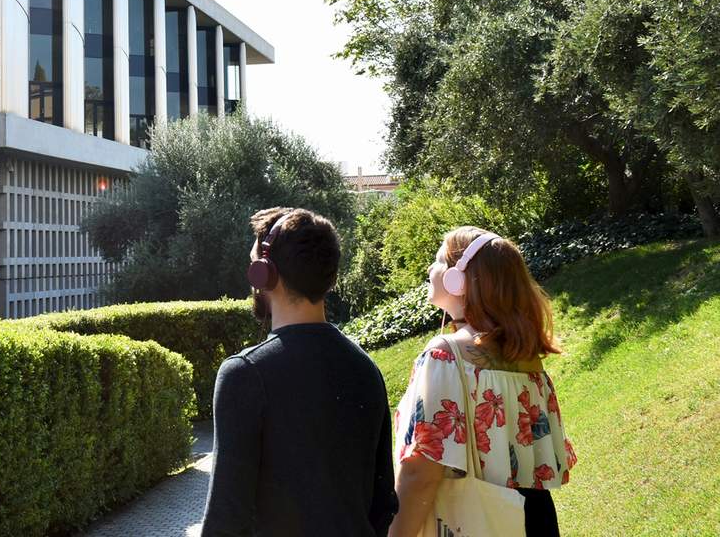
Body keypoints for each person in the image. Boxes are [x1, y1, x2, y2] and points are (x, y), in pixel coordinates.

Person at [201, 207, 398, 536]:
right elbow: (383, 504)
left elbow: (226, 516)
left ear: (264, 273)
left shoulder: (245, 374)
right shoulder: (366, 368)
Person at [388, 227, 576, 537]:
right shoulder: (529, 362)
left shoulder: (445, 357)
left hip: (471, 524)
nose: (430, 269)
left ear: (457, 280)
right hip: (535, 522)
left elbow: (420, 473)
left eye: (438, 261)